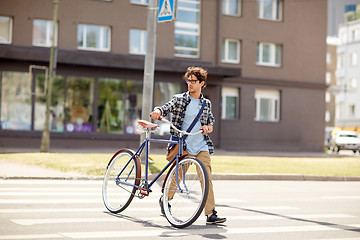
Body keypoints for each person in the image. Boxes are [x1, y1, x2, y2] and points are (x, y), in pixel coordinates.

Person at [150, 66, 226, 225]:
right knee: (177, 176)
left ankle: (210, 213)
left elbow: (210, 121)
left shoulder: (206, 103)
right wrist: (158, 110)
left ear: (202, 83)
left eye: (193, 81)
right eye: (188, 80)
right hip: (184, 145)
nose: (190, 84)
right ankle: (165, 200)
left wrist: (208, 128)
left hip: (201, 146)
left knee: (206, 177)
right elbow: (165, 107)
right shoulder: (179, 99)